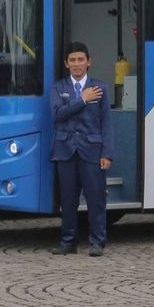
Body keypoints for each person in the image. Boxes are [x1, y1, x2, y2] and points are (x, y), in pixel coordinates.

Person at [49, 42, 114, 257]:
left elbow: (106, 123)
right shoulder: (58, 88)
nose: (77, 64)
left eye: (81, 59)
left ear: (89, 62)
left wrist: (107, 153)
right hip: (65, 150)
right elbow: (57, 114)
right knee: (67, 200)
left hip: (92, 150)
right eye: (73, 60)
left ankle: (97, 241)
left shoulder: (100, 88)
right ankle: (68, 241)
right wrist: (82, 100)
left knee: (96, 198)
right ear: (66, 64)